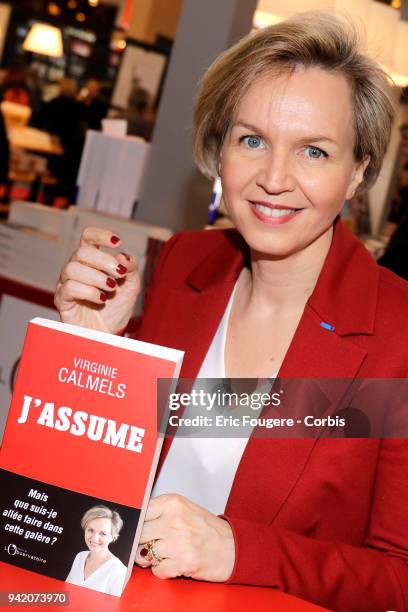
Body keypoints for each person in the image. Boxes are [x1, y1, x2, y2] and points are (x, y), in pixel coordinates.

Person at [54, 12, 408, 611]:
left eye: (314, 151)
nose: (273, 178)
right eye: (251, 140)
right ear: (220, 149)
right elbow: (90, 489)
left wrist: (240, 551)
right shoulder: (185, 267)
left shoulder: (397, 335)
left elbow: (399, 574)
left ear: (360, 171)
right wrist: (96, 350)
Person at [66, 505, 127, 596]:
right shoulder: (80, 556)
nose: (94, 538)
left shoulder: (119, 571)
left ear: (113, 537)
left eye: (103, 533)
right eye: (90, 530)